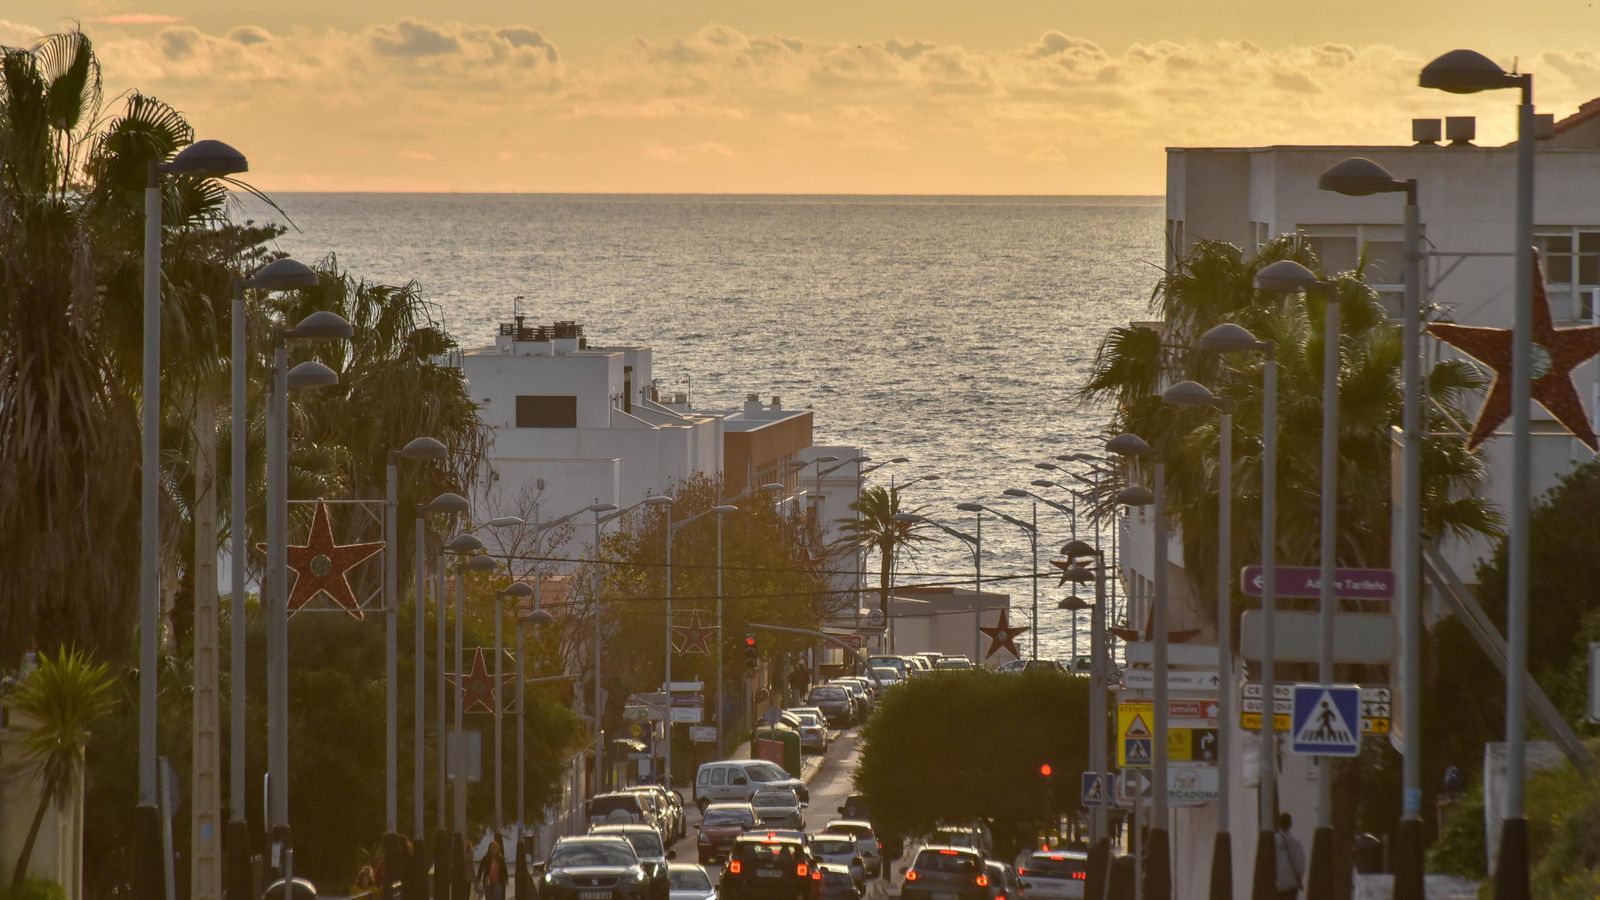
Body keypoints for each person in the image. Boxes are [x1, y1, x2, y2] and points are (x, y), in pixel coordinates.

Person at [1274, 812, 1305, 900]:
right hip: (1292, 883)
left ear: (1279, 824)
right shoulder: (1296, 843)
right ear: (1290, 824)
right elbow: (1300, 864)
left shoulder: (1272, 842)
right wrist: (1299, 876)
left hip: (1278, 884)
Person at [478, 835, 509, 900]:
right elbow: (481, 869)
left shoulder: (500, 858)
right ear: (489, 849)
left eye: (495, 848)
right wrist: (478, 879)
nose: (493, 849)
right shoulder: (486, 858)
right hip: (488, 881)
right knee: (489, 897)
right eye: (491, 848)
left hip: (498, 880)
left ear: (497, 849)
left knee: (497, 897)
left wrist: (506, 879)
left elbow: (504, 869)